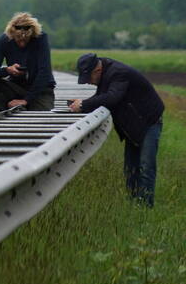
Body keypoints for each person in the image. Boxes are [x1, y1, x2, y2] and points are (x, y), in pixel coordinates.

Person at [70, 53, 164, 207]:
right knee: (130, 168)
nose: (88, 83)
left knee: (146, 166)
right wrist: (82, 104)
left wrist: (84, 104)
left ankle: (145, 206)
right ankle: (133, 203)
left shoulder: (118, 72)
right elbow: (102, 96)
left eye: (89, 79)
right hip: (134, 122)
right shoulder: (107, 72)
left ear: (97, 71)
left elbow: (113, 97)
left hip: (149, 121)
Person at [0, 12, 56, 112]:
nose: (22, 43)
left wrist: (26, 100)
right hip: (16, 87)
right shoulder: (5, 39)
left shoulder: (40, 38)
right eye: (18, 40)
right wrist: (7, 70)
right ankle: (7, 113)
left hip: (40, 90)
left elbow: (45, 73)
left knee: (39, 119)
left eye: (25, 40)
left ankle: (23, 106)